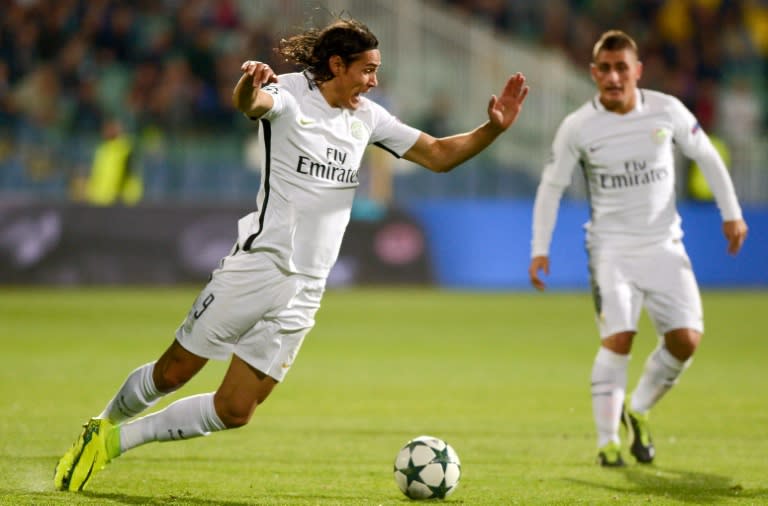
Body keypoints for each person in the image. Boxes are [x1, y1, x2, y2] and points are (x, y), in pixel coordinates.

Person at [54, 17, 529, 491]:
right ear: (337, 64)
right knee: (174, 370)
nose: (374, 81)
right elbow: (251, 103)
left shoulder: (367, 116)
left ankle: (112, 444)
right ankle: (101, 422)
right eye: (368, 69)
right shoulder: (288, 93)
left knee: (236, 410)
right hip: (259, 267)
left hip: (307, 287)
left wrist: (493, 129)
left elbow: (439, 155)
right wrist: (248, 83)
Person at [527, 30, 747, 467]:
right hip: (609, 249)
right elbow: (551, 187)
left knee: (686, 341)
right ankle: (607, 442)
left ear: (637, 71)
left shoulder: (666, 110)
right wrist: (540, 248)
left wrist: (732, 212)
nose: (613, 76)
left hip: (665, 244)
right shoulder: (578, 126)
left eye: (621, 67)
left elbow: (706, 154)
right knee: (619, 337)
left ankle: (639, 408)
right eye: (604, 69)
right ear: (593, 74)